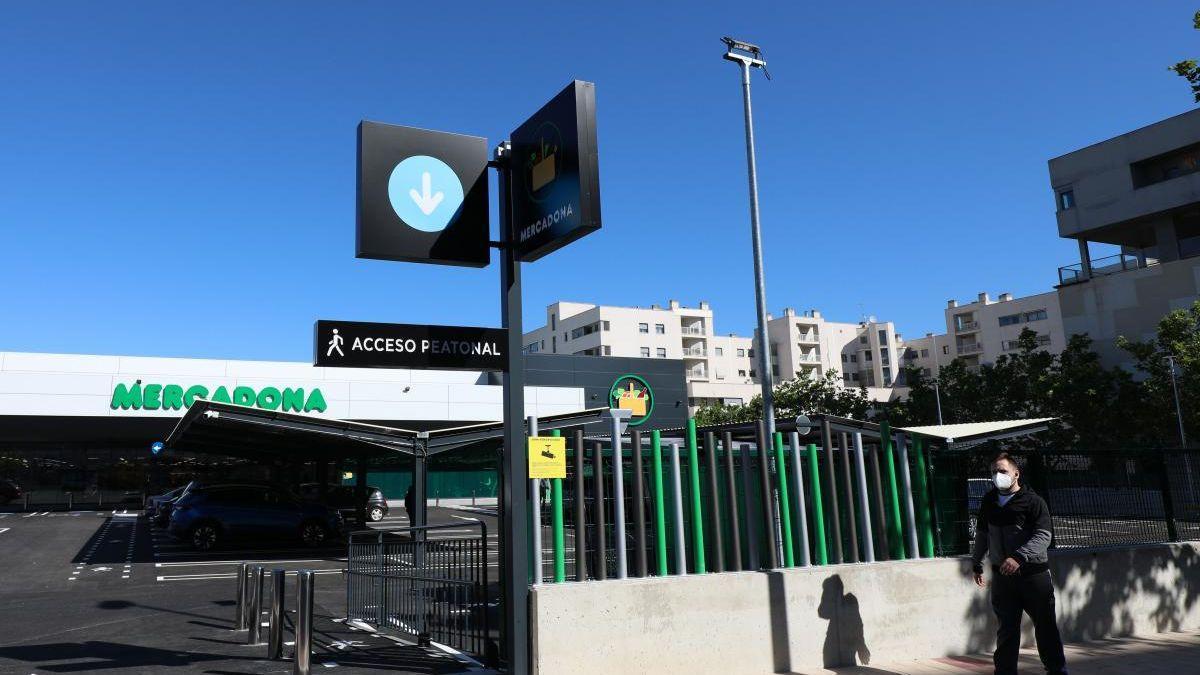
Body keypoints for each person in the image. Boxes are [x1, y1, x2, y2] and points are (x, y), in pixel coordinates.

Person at [970, 453, 1068, 675]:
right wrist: (977, 562)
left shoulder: (1033, 501)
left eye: (1003, 471)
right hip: (1003, 580)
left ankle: (1057, 671)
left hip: (1034, 577)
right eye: (994, 472)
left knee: (1046, 629)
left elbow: (1044, 536)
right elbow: (983, 533)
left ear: (1016, 473)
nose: (998, 476)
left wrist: (1019, 557)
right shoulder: (989, 501)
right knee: (1007, 632)